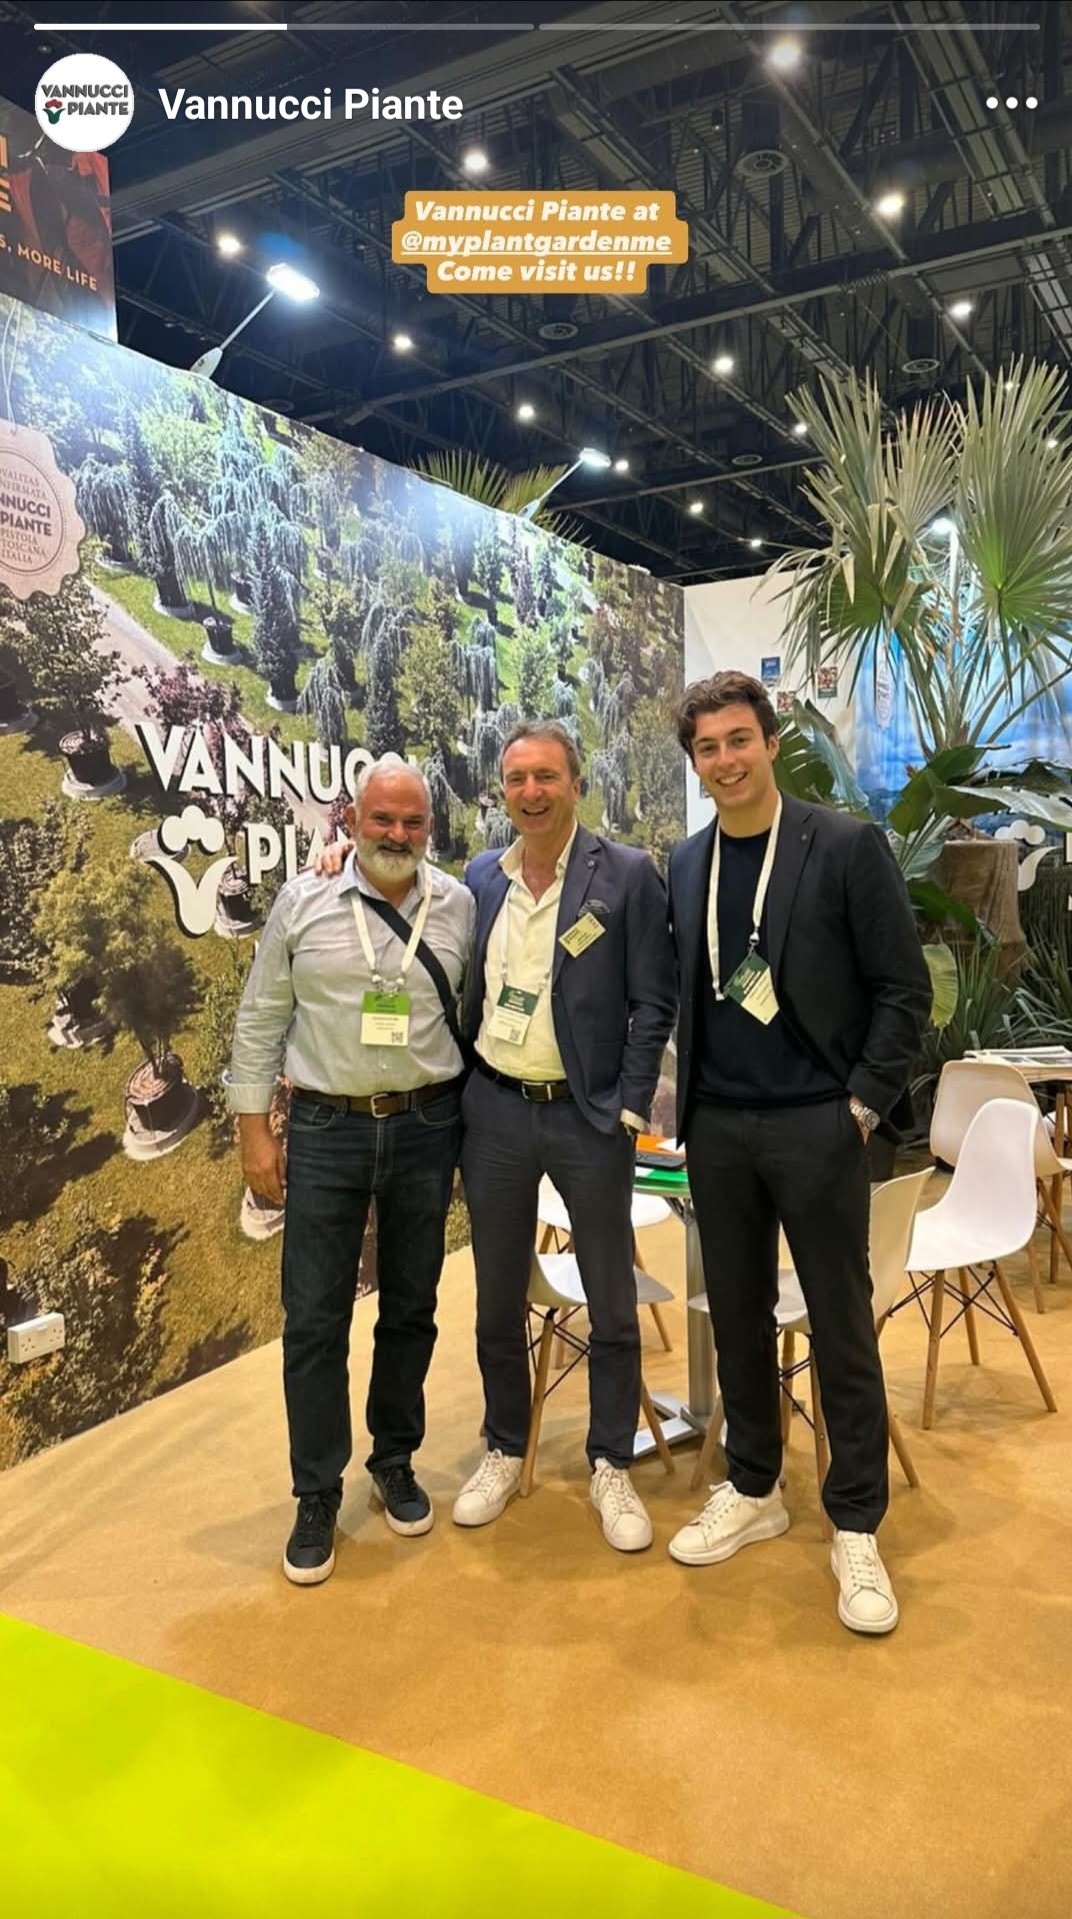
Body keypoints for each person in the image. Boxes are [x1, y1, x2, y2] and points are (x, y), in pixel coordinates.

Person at [665, 672, 931, 1633]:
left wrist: (859, 1106)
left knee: (840, 1324)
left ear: (771, 742)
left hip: (819, 1122)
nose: (725, 760)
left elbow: (904, 990)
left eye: (739, 739)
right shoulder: (686, 862)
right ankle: (753, 1485)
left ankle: (854, 1520)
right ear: (695, 763)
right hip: (719, 1130)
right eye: (707, 748)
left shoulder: (845, 845)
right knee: (737, 1317)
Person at [226, 755, 474, 1587]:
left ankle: (394, 1459)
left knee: (411, 1306)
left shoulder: (459, 905)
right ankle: (316, 1490)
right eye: (382, 820)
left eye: (412, 821)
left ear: (429, 828)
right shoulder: (305, 899)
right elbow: (261, 1017)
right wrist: (253, 1131)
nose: (397, 834)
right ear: (353, 822)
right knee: (313, 1318)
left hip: (426, 1124)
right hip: (326, 1127)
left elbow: (471, 1013)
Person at [452, 720, 677, 1551]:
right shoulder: (481, 877)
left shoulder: (626, 874)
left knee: (610, 1298)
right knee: (496, 1295)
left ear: (576, 784)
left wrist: (629, 1106)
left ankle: (611, 1459)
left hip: (588, 1116)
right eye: (516, 779)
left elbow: (655, 998)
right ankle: (504, 1445)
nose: (531, 792)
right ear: (501, 792)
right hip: (496, 1111)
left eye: (546, 776)